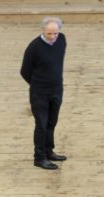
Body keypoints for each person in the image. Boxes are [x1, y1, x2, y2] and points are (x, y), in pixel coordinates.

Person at [20, 17, 67, 170]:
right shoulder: (34, 47)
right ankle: (39, 158)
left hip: (57, 90)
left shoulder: (62, 40)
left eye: (55, 33)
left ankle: (49, 151)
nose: (53, 37)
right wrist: (38, 85)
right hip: (39, 93)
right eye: (49, 34)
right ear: (43, 31)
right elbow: (24, 71)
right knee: (41, 125)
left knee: (51, 122)